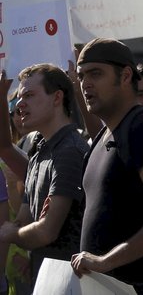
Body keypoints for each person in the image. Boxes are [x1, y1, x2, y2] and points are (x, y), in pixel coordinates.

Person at [72, 37, 143, 294]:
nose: (85, 83)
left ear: (125, 76)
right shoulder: (103, 136)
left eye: (96, 74)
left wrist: (104, 262)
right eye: (80, 76)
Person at [0, 65, 86, 284]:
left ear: (57, 97)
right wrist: (16, 230)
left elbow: (46, 232)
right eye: (18, 97)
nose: (19, 104)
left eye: (28, 95)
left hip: (73, 282)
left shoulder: (70, 151)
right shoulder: (40, 152)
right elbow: (24, 221)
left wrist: (10, 234)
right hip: (47, 280)